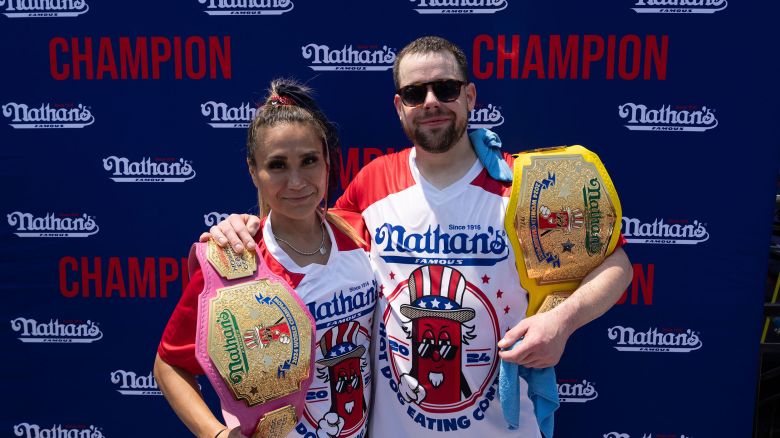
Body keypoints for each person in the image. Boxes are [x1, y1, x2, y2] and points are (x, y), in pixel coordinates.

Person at [206, 36, 633, 437]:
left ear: (469, 96)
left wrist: (562, 321)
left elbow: (615, 264)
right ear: (399, 106)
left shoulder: (521, 186)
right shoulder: (373, 182)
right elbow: (303, 227)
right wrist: (246, 225)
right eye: (415, 93)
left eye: (445, 88)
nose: (431, 102)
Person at [154, 79, 376, 438]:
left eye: (309, 161)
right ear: (252, 170)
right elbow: (168, 365)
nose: (296, 181)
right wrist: (216, 435)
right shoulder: (234, 262)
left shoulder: (358, 232)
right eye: (277, 165)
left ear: (327, 162)